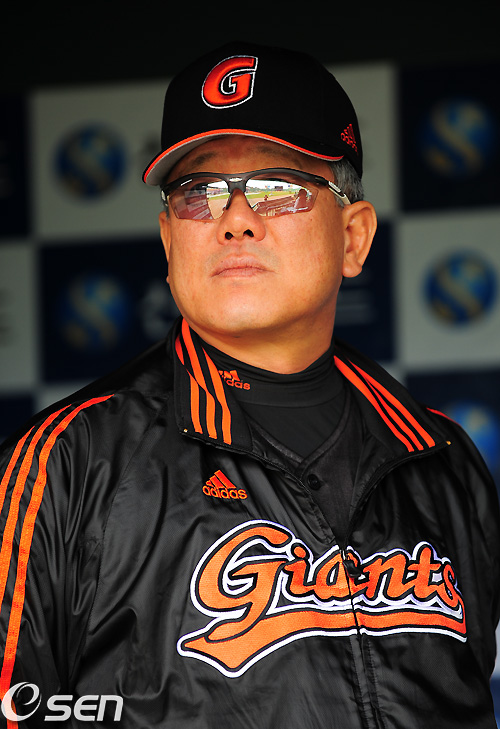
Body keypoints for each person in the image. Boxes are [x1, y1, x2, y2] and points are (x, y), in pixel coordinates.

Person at [0, 41, 499, 729]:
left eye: (277, 188)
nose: (235, 218)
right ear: (169, 241)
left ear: (353, 238)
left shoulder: (442, 461)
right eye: (199, 194)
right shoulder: (66, 461)